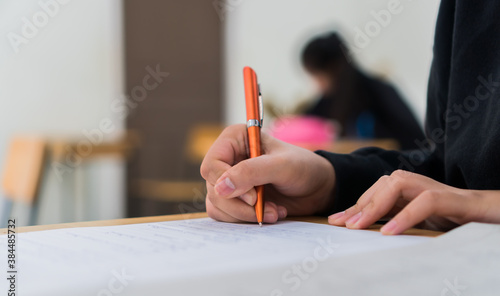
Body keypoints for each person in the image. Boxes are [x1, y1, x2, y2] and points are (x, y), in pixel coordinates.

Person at [200, 0, 500, 235]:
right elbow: (444, 174)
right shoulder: (463, 9)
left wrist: (487, 205)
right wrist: (328, 182)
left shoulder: (373, 91)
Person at [302, 32, 425, 150]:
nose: (317, 85)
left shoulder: (378, 93)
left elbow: (413, 140)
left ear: (334, 67)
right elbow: (305, 123)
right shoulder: (328, 101)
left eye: (317, 76)